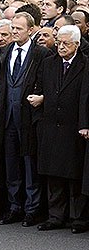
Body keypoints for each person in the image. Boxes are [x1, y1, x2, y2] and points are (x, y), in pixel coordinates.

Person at [0, 12, 50, 227]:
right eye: (12, 28)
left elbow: (46, 82)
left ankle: (32, 208)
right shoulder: (5, 52)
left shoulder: (41, 53)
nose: (14, 32)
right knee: (11, 163)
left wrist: (41, 98)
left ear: (31, 30)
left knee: (29, 163)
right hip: (7, 117)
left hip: (28, 117)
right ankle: (14, 206)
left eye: (18, 29)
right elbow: (2, 80)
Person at [33, 25, 89, 233]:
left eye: (66, 43)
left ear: (76, 44)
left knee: (74, 175)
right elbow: (40, 89)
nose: (61, 47)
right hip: (50, 125)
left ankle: (78, 218)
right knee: (53, 173)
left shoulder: (85, 64)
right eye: (58, 43)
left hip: (74, 126)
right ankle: (55, 216)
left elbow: (85, 96)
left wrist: (84, 124)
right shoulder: (49, 63)